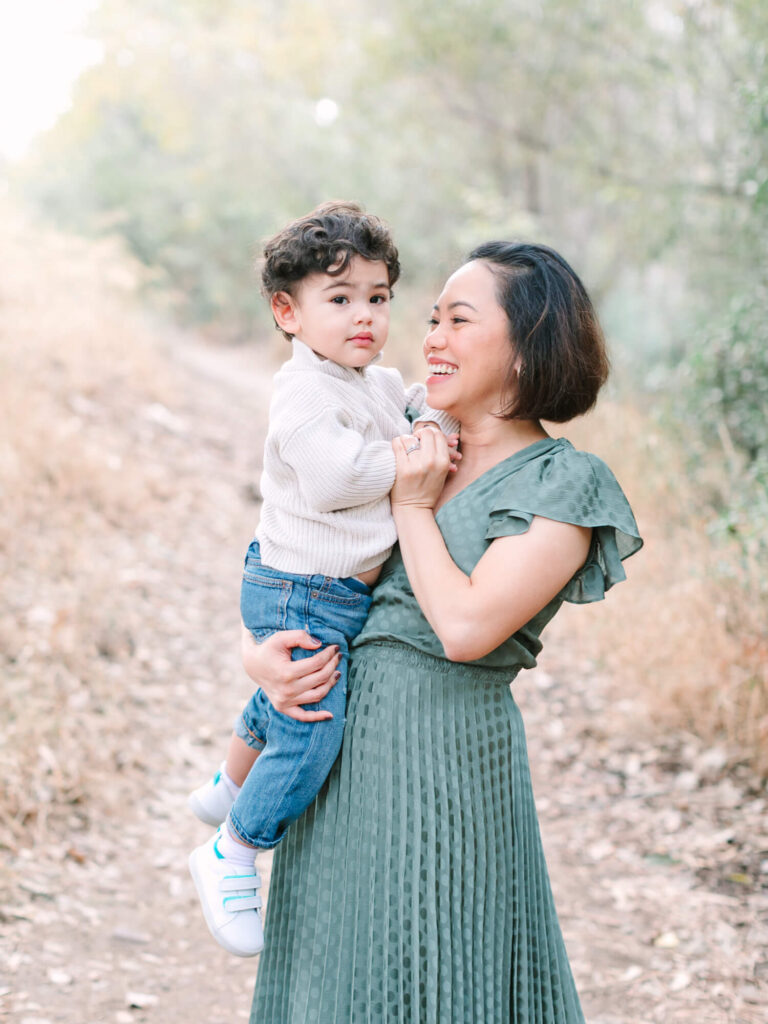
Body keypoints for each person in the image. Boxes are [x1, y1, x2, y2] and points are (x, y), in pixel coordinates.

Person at [239, 241, 643, 1022]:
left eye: (459, 320)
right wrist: (259, 657)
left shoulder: (561, 485)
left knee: (446, 972)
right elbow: (292, 570)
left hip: (444, 768)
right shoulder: (405, 438)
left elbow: (463, 627)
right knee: (336, 978)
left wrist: (414, 507)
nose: (429, 338)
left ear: (529, 348)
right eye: (430, 318)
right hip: (334, 763)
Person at [187, 201, 458, 958]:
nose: (364, 317)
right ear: (288, 312)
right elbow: (340, 478)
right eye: (339, 300)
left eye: (377, 298)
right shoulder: (303, 393)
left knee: (292, 688)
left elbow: (412, 403)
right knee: (312, 726)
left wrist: (427, 415)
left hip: (315, 585)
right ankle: (234, 849)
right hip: (301, 587)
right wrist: (418, 459)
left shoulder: (372, 379)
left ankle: (231, 781)